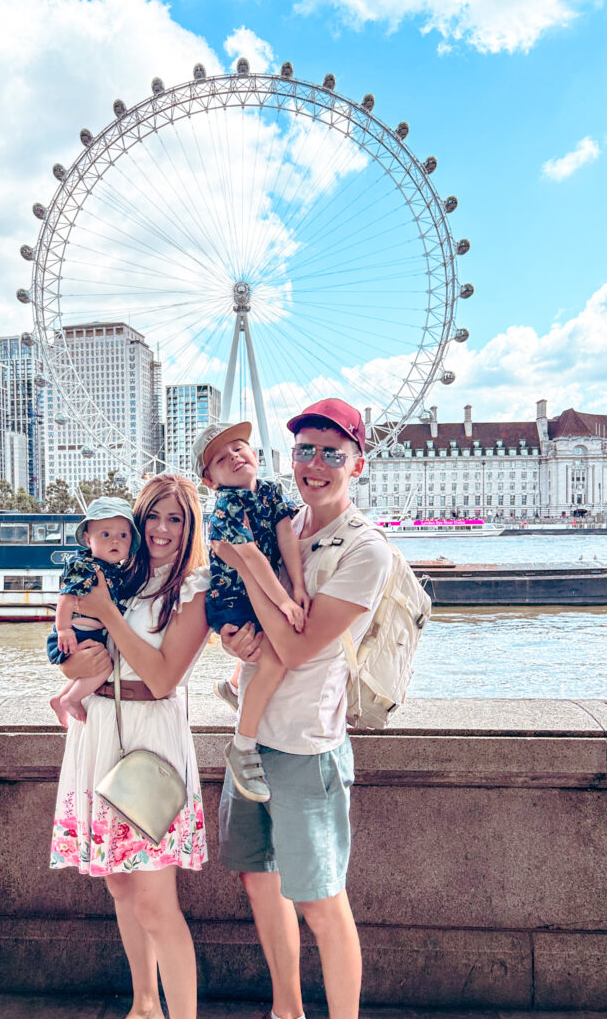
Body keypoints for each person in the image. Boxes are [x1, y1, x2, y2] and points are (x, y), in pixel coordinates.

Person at [212, 399, 393, 1019]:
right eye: (304, 452)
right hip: (251, 736)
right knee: (259, 884)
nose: (314, 465)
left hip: (305, 748)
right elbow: (248, 618)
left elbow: (291, 645)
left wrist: (246, 564)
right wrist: (232, 638)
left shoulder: (365, 550)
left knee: (320, 901)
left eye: (331, 454)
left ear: (357, 464)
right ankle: (285, 1010)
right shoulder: (282, 518)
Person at [50, 475, 210, 1019]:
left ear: (190, 528)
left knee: (155, 900)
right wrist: (73, 661)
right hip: (100, 727)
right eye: (153, 517)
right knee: (119, 883)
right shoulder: (116, 574)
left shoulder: (194, 587)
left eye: (176, 519)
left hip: (152, 737)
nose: (162, 530)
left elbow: (164, 677)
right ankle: (144, 1005)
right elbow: (71, 650)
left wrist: (110, 617)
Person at [192, 420, 308, 803]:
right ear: (210, 481)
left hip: (262, 589)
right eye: (222, 459)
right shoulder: (226, 507)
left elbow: (285, 537)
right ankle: (242, 747)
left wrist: (300, 585)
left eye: (239, 448)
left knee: (271, 654)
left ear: (254, 452)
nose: (235, 458)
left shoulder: (272, 491)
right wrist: (286, 601)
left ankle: (236, 686)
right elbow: (253, 559)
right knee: (274, 661)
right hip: (233, 598)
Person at [47, 497, 141, 726]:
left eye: (123, 535)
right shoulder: (84, 565)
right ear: (88, 540)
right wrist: (63, 629)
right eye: (105, 534)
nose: (115, 541)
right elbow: (66, 597)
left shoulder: (116, 571)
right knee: (104, 667)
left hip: (91, 633)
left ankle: (60, 698)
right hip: (77, 632)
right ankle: (71, 699)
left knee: (93, 668)